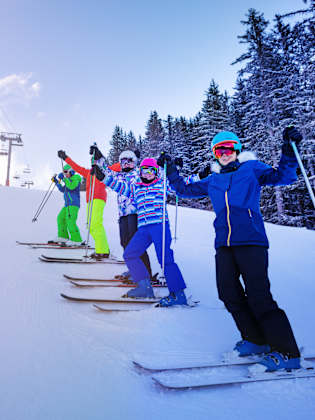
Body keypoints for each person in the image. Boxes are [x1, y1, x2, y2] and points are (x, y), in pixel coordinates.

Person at [158, 126, 303, 371]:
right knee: (228, 293)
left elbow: (284, 177)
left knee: (259, 297)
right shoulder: (214, 179)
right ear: (215, 154)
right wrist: (170, 169)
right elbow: (183, 190)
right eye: (218, 150)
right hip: (224, 244)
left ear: (236, 149)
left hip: (252, 241)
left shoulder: (252, 169)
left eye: (228, 148)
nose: (224, 153)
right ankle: (255, 340)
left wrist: (289, 149)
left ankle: (288, 352)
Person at [92, 154, 188, 307]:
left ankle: (178, 294)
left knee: (165, 258)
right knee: (130, 254)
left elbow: (182, 184)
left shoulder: (162, 185)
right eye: (143, 171)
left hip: (159, 225)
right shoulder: (136, 188)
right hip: (143, 228)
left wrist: (199, 175)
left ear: (156, 173)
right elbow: (120, 186)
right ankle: (144, 287)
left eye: (150, 171)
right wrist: (103, 178)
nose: (146, 174)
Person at [57, 150, 110, 260]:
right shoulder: (88, 173)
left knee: (96, 224)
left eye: (95, 161)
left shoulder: (104, 171)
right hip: (90, 200)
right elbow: (75, 167)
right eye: (92, 161)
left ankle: (102, 251)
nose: (93, 163)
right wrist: (65, 157)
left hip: (98, 198)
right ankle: (103, 248)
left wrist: (133, 157)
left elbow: (117, 167)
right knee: (91, 226)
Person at [50, 164, 83, 245]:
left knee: (70, 221)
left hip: (73, 204)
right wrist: (56, 182)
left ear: (71, 171)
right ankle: (63, 237)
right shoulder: (68, 180)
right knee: (60, 218)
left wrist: (64, 179)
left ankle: (76, 239)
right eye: (63, 172)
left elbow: (71, 187)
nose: (64, 174)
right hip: (67, 205)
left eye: (66, 172)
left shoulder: (75, 179)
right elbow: (62, 189)